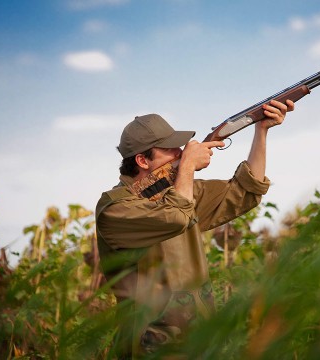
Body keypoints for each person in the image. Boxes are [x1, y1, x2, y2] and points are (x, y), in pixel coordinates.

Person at [95, 99, 294, 357]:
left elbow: (245, 191)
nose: (181, 152)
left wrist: (261, 130)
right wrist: (188, 166)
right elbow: (176, 216)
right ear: (143, 161)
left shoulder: (181, 193)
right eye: (171, 149)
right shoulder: (116, 209)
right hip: (150, 347)